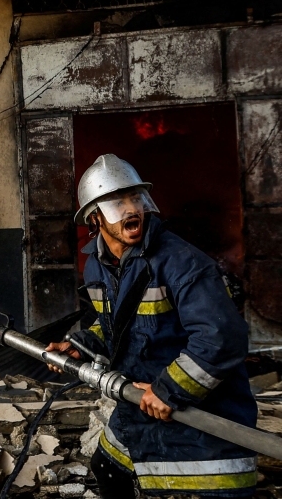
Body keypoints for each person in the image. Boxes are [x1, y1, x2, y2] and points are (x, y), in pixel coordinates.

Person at [46, 154, 257, 498]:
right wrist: (82, 344)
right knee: (107, 466)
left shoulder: (183, 263)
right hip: (138, 408)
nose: (132, 210)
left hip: (199, 417)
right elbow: (115, 325)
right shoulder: (98, 269)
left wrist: (169, 389)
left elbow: (222, 339)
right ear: (95, 218)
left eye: (135, 198)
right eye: (117, 203)